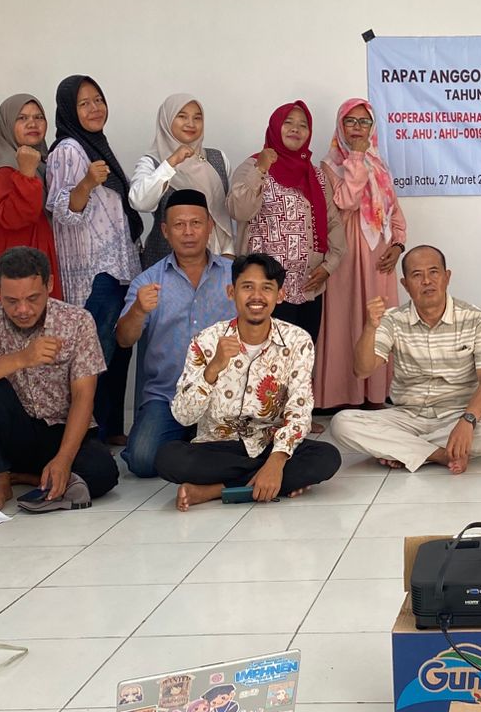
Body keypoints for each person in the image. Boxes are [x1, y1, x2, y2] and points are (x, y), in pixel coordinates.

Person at [155, 252, 343, 509]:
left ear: (280, 295)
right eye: (247, 287)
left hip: (269, 444)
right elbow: (183, 416)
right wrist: (214, 368)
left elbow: (299, 410)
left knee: (326, 457)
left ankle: (215, 490)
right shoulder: (207, 340)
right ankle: (268, 482)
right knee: (168, 458)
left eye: (266, 288)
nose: (257, 296)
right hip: (218, 448)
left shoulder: (297, 341)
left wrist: (276, 461)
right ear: (231, 292)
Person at [0, 246, 119, 512]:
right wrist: (22, 358)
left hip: (62, 431)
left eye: (33, 298)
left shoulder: (77, 321)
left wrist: (64, 459)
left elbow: (84, 396)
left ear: (49, 284)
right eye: (12, 301)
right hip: (12, 433)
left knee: (103, 473)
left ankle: (30, 477)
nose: (23, 309)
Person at [328, 244, 481, 472]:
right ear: (405, 284)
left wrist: (467, 421)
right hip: (407, 417)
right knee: (342, 423)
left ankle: (405, 450)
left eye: (434, 272)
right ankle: (440, 454)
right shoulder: (392, 319)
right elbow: (362, 370)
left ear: (447, 277)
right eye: (416, 275)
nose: (426, 281)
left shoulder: (476, 318)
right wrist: (370, 328)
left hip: (456, 414)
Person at [46, 74, 143, 444]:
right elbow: (62, 211)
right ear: (69, 110)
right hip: (93, 270)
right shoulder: (69, 150)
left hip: (118, 266)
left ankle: (111, 426)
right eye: (84, 103)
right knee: (94, 353)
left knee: (118, 348)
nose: (94, 108)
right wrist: (86, 183)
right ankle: (89, 436)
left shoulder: (97, 145)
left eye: (98, 99)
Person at [115, 190, 235, 478]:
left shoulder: (235, 275)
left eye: (196, 223)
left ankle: (190, 443)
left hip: (225, 392)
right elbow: (124, 339)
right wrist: (138, 310)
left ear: (209, 226)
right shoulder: (147, 281)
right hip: (168, 394)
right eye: (179, 225)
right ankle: (193, 441)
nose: (188, 232)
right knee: (142, 461)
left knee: (251, 446)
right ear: (165, 231)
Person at [228, 101, 346, 355]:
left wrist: (329, 265)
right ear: (275, 127)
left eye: (303, 125)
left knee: (301, 359)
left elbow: (333, 222)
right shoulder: (252, 166)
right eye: (288, 122)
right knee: (264, 359)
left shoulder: (316, 175)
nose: (296, 129)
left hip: (308, 287)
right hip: (265, 289)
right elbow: (239, 210)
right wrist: (261, 169)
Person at [318, 97, 408, 411]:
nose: (358, 128)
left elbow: (394, 211)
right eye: (351, 121)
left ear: (372, 127)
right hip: (347, 255)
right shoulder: (328, 166)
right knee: (349, 318)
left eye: (364, 121)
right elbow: (346, 201)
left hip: (380, 256)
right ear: (340, 125)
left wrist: (398, 246)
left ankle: (377, 392)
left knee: (380, 319)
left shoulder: (379, 166)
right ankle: (344, 394)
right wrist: (355, 158)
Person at [0, 93, 60, 313]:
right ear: (8, 124)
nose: (32, 123)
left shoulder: (40, 160)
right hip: (8, 269)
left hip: (29, 261)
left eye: (39, 117)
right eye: (22, 118)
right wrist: (26, 174)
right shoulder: (4, 166)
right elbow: (13, 217)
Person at [129, 94, 233, 268]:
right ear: (166, 120)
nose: (190, 123)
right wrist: (171, 163)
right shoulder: (152, 162)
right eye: (182, 116)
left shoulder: (218, 159)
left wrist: (229, 252)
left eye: (197, 118)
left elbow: (223, 212)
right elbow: (140, 202)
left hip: (216, 262)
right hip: (166, 265)